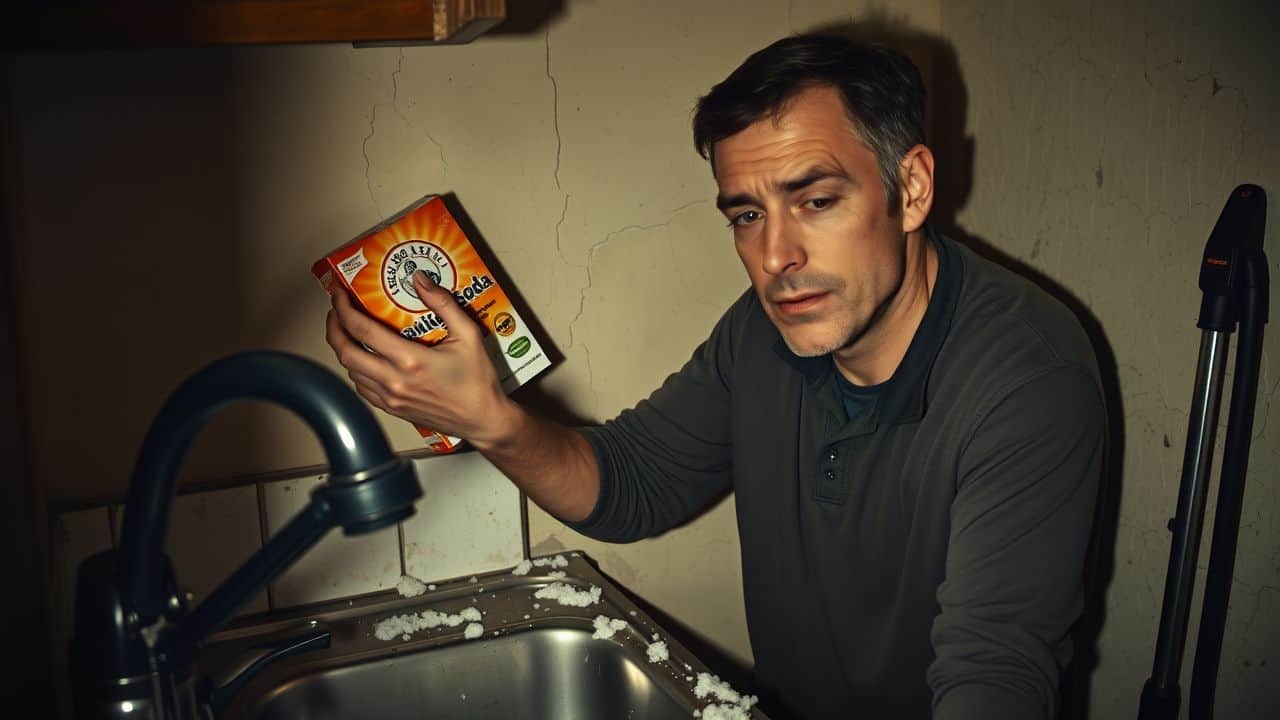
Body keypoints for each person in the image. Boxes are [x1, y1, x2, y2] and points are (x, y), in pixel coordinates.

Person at [325, 33, 1104, 720]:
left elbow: (995, 672)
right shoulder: (765, 330)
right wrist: (493, 421)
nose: (775, 259)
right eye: (746, 215)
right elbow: (632, 483)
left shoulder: (1025, 375)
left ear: (912, 189)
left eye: (817, 199)